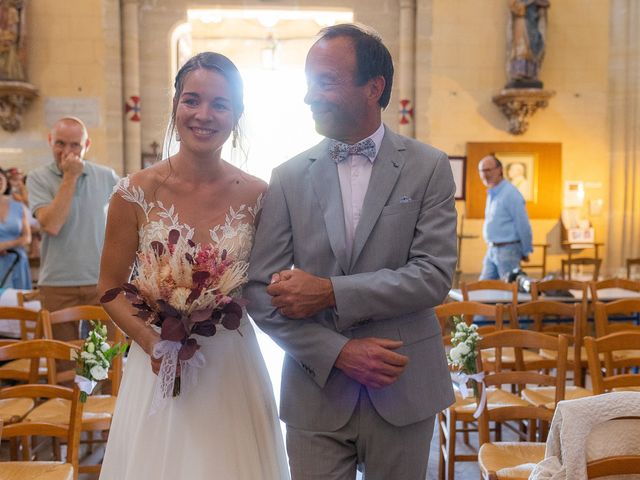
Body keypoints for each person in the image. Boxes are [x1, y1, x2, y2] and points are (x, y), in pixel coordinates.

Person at [246, 24, 457, 480]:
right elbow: (259, 291)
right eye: (309, 82)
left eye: (325, 81)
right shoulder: (287, 176)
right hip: (315, 388)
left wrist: (329, 292)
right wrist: (337, 352)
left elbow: (434, 275)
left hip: (403, 383)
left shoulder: (428, 167)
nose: (308, 97)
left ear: (374, 88)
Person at [98, 52, 289, 479]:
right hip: (158, 361)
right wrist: (153, 342)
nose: (204, 114)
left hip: (232, 367)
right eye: (192, 100)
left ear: (237, 114)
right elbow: (109, 287)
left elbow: (265, 284)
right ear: (175, 105)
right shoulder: (133, 193)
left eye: (220, 104)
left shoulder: (259, 195)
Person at [26, 117, 118, 333]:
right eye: (60, 143)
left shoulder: (106, 176)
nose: (66, 151)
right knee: (63, 362)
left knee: (107, 360)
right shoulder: (38, 178)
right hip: (58, 284)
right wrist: (70, 176)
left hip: (100, 281)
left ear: (86, 145)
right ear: (50, 141)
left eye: (75, 144)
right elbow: (52, 225)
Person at [478, 154, 533, 280]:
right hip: (492, 249)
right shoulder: (492, 192)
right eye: (481, 171)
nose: (484, 174)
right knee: (482, 289)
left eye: (488, 170)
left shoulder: (510, 193)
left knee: (510, 292)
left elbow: (523, 224)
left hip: (508, 250)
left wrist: (525, 250)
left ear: (499, 170)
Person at [507, 0, 551, 88]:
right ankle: (519, 73)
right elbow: (514, 6)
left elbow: (546, 3)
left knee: (534, 49)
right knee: (522, 48)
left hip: (534, 23)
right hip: (522, 20)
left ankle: (531, 74)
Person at [0, 167, 31, 289]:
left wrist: (4, 245)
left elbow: (27, 237)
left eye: (1, 179)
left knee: (18, 305)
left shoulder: (18, 206)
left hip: (17, 260)